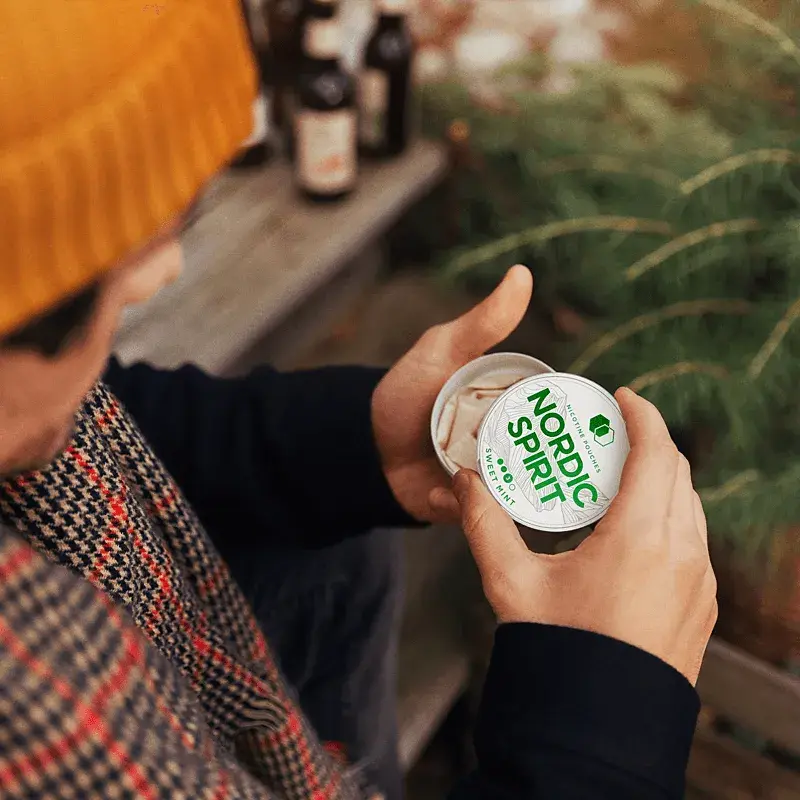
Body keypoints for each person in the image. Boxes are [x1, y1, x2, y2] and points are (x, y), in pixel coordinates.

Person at [0, 2, 717, 799]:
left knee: (343, 557)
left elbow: (117, 415)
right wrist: (604, 731)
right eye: (111, 259)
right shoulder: (39, 710)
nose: (159, 273)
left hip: (196, 645)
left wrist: (350, 443)